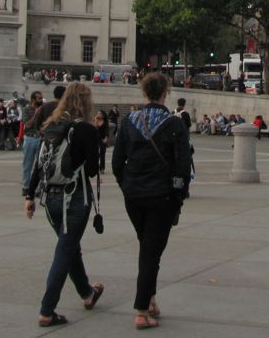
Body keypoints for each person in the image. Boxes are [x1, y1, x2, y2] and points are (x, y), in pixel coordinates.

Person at [112, 72, 192, 329]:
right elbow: (182, 166)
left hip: (133, 195)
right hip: (161, 195)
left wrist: (126, 185)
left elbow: (116, 162)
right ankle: (140, 310)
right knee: (151, 250)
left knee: (148, 247)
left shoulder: (129, 121)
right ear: (165, 93)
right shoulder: (174, 124)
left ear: (143, 93)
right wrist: (178, 196)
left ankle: (151, 298)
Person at [24, 82, 104, 327]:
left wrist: (29, 196)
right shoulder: (86, 130)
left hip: (50, 198)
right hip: (75, 196)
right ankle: (47, 310)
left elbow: (39, 164)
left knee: (69, 247)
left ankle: (87, 293)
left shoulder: (50, 126)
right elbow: (91, 169)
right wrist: (95, 141)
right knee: (65, 250)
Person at [20, 89, 46, 193]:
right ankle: (26, 187)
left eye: (41, 98)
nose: (41, 100)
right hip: (29, 138)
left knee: (40, 164)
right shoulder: (26, 110)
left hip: (40, 138)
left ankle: (38, 188)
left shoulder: (43, 109)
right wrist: (36, 114)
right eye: (39, 98)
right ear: (33, 99)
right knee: (27, 164)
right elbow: (27, 125)